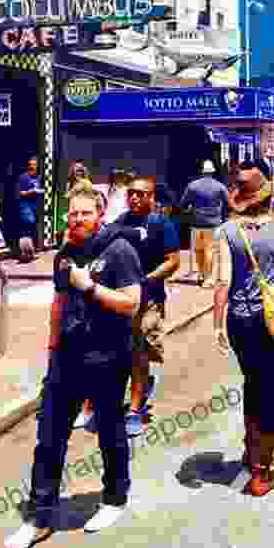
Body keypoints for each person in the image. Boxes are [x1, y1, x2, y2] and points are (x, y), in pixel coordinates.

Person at [4, 188, 142, 548]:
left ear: (99, 215)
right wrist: (51, 347)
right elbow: (60, 301)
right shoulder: (65, 254)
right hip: (67, 357)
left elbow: (131, 304)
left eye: (84, 213)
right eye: (72, 214)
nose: (76, 219)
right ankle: (38, 514)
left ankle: (114, 497)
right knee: (49, 436)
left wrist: (92, 287)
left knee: (109, 430)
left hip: (108, 357)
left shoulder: (119, 250)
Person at [212, 162, 274, 496]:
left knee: (252, 383)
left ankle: (252, 451)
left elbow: (222, 281)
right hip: (272, 319)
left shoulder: (226, 231)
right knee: (268, 391)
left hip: (239, 319)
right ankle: (262, 469)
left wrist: (217, 324)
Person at [114, 176, 180, 437]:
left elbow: (173, 261)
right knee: (123, 350)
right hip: (122, 297)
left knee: (141, 346)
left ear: (151, 197)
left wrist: (148, 279)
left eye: (141, 194)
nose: (134, 198)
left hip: (150, 297)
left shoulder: (161, 224)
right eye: (131, 193)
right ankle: (134, 390)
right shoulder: (120, 223)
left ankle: (135, 409)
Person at [179, 160, 229, 288]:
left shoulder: (193, 186)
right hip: (214, 224)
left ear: (202, 172)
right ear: (212, 172)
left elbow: (183, 204)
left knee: (198, 250)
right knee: (210, 251)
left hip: (196, 223)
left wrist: (189, 210)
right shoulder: (220, 186)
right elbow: (228, 203)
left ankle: (202, 274)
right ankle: (208, 279)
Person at [17, 157, 44, 261]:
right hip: (25, 205)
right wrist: (31, 191)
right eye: (30, 165)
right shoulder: (23, 177)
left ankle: (30, 252)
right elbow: (20, 193)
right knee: (28, 224)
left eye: (34, 165)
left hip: (35, 206)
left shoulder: (38, 177)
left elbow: (40, 189)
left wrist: (40, 191)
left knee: (32, 228)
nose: (32, 167)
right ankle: (24, 252)